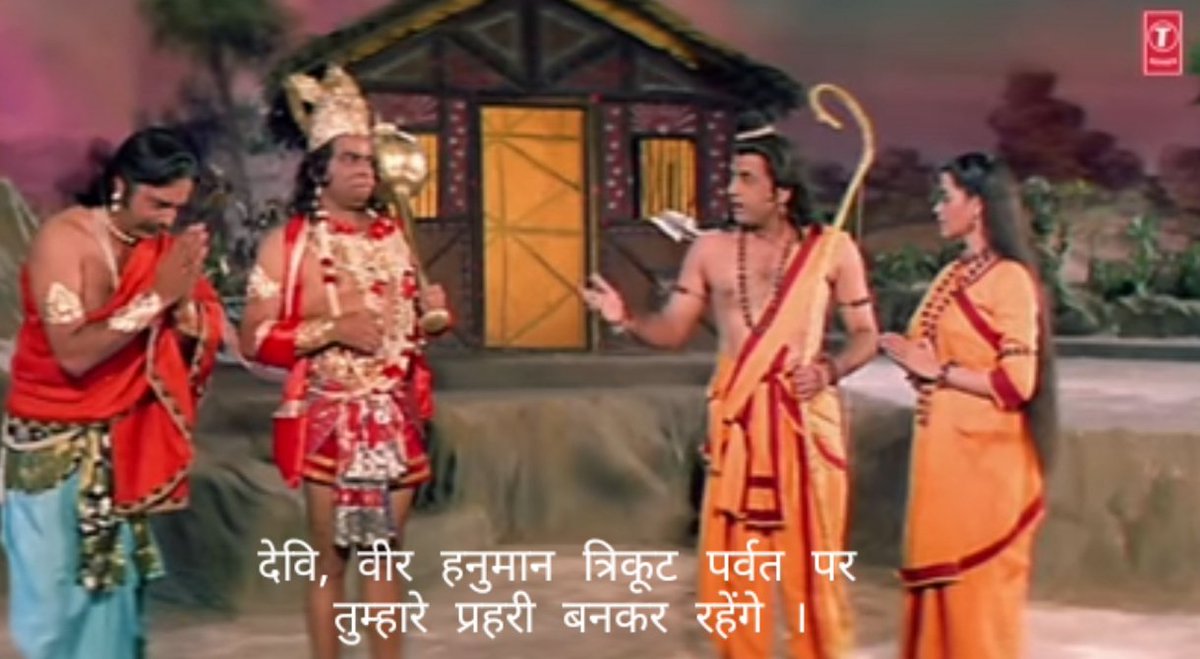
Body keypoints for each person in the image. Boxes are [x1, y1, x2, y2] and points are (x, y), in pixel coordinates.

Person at [582, 116, 879, 658]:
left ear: (781, 192)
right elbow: (672, 330)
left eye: (746, 179)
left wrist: (829, 371)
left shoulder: (832, 250)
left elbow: (866, 335)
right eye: (731, 177)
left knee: (815, 569)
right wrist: (623, 318)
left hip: (805, 424)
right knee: (734, 574)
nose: (730, 190)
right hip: (739, 423)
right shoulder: (710, 250)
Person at [240, 64, 450, 659]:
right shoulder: (289, 245)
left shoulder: (394, 237)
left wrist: (431, 313)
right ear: (320, 169)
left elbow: (406, 333)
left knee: (385, 561)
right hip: (329, 419)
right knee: (329, 563)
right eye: (352, 159)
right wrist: (332, 329)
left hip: (395, 418)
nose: (366, 170)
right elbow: (254, 339)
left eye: (370, 160)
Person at [1, 127, 224, 658]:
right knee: (53, 610)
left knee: (117, 600)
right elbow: (73, 354)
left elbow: (203, 333)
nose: (167, 220)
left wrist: (190, 319)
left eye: (178, 208)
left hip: (119, 439)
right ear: (121, 185)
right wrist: (157, 299)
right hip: (50, 442)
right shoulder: (65, 240)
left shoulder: (159, 251)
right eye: (158, 204)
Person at [880, 152, 1057, 659]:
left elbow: (1018, 382)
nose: (936, 208)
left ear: (977, 205)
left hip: (984, 466)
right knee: (938, 595)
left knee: (974, 599)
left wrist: (939, 371)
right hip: (943, 460)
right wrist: (914, 359)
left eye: (945, 197)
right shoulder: (951, 275)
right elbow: (931, 353)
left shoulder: (1009, 280)